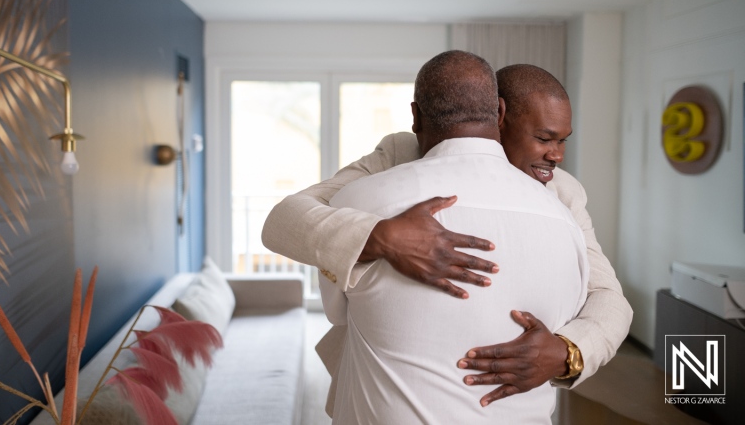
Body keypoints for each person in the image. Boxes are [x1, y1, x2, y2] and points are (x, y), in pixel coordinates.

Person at [262, 59, 633, 414]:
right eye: (544, 138)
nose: (557, 156)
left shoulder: (564, 194)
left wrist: (568, 352)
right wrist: (381, 236)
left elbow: (607, 296)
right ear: (498, 117)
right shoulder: (401, 153)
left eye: (563, 141)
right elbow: (288, 217)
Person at [322, 50, 588, 423]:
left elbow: (337, 314)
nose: (555, 155)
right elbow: (575, 313)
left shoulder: (359, 201)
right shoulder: (563, 222)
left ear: (415, 116)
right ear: (498, 113)